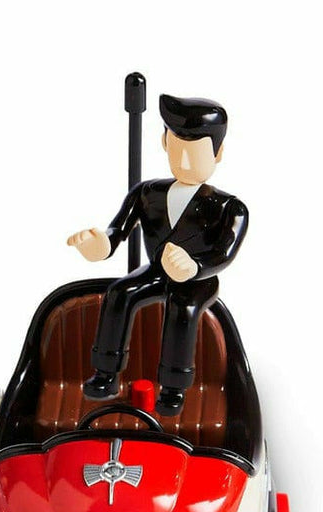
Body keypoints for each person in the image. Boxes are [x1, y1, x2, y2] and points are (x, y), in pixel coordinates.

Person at [68, 94, 248, 416]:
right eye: (178, 149)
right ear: (164, 143)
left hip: (198, 280)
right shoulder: (147, 193)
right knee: (120, 292)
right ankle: (106, 373)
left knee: (183, 308)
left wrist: (194, 266)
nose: (185, 162)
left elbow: (224, 252)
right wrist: (102, 245)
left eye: (196, 153)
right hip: (157, 271)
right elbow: (118, 230)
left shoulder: (229, 208)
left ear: (218, 153)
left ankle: (173, 389)